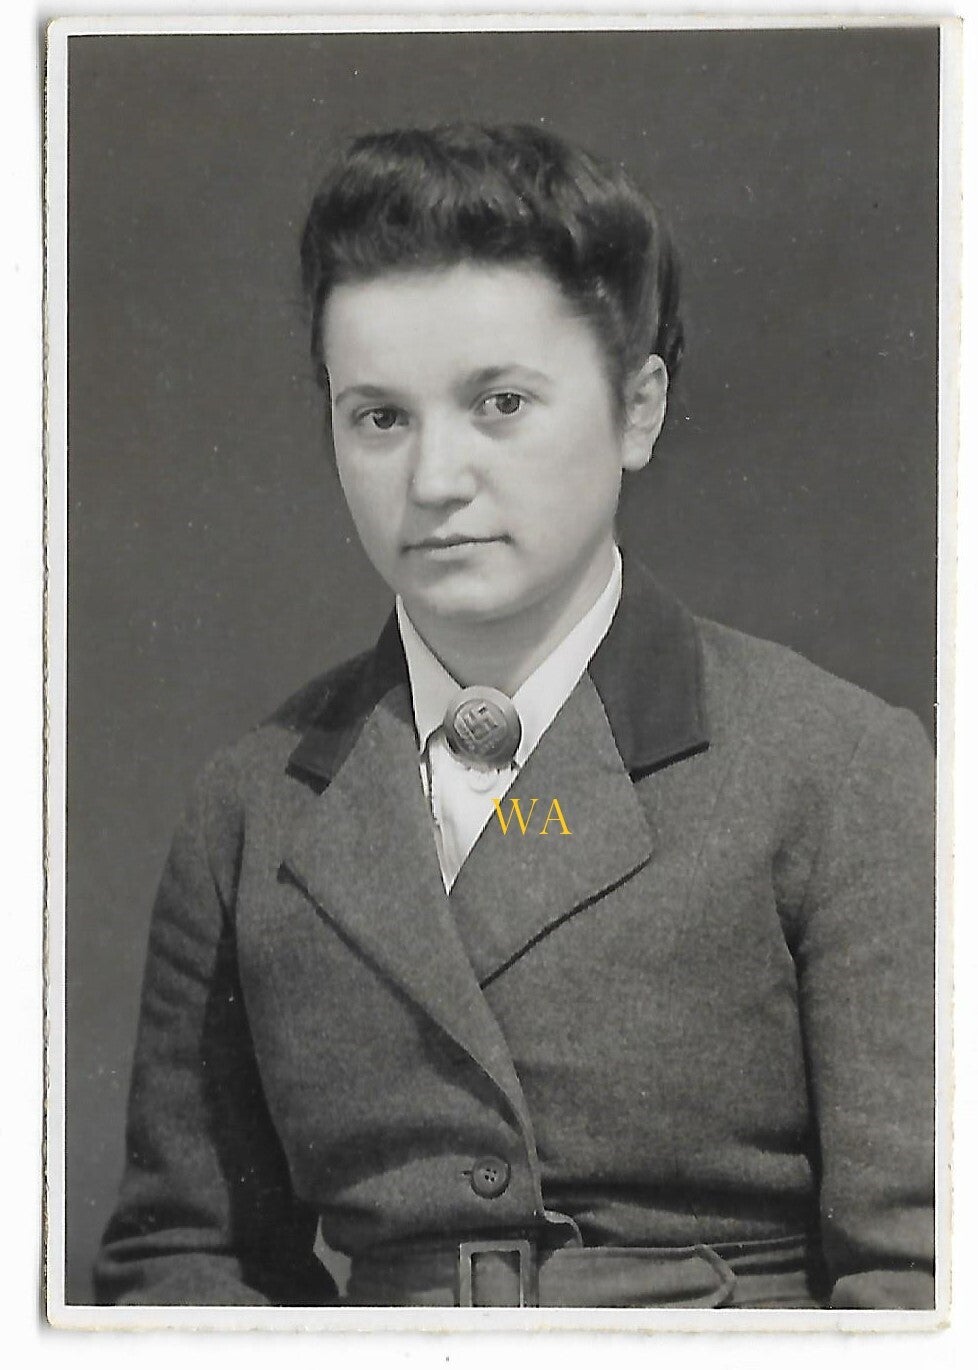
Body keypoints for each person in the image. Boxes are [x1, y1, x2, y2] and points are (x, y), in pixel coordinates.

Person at [93, 123, 935, 1310]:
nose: (435, 478)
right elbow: (183, 1258)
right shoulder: (251, 807)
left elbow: (928, 1278)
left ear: (638, 407)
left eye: (499, 402)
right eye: (379, 416)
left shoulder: (838, 770)